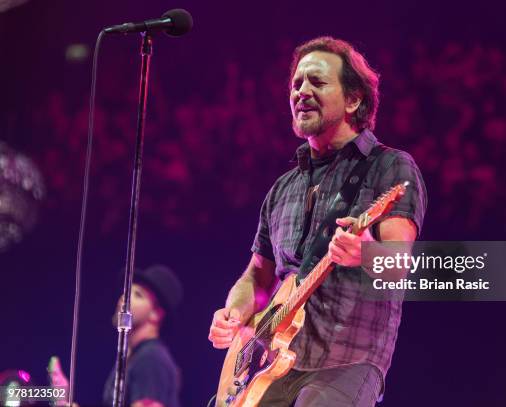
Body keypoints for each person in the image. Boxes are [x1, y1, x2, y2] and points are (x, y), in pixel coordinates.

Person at [208, 37, 427, 406]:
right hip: (266, 362)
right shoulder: (283, 188)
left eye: (317, 82)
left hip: (347, 360)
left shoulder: (390, 166)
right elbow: (256, 277)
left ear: (354, 99)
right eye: (296, 84)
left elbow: (399, 265)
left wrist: (366, 252)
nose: (301, 92)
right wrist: (234, 312)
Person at [50, 265, 183, 407]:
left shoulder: (151, 359)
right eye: (127, 291)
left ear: (156, 314)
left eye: (138, 295)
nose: (124, 298)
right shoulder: (135, 356)